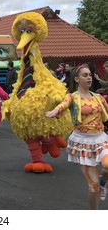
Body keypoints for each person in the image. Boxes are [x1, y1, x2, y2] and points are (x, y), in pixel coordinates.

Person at [45, 64, 108, 209]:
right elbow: (63, 104)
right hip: (83, 142)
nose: (89, 77)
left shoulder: (98, 97)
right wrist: (54, 111)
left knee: (107, 166)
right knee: (93, 186)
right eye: (85, 75)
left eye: (90, 75)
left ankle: (103, 183)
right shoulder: (72, 97)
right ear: (77, 79)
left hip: (101, 139)